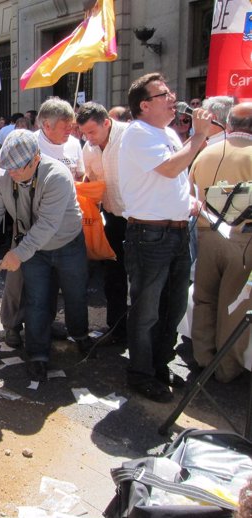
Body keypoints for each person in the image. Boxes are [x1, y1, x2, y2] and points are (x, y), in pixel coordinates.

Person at [118, 72, 212, 402]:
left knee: (172, 307)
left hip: (176, 231)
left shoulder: (168, 132)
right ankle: (140, 372)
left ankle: (160, 364)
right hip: (150, 235)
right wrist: (199, 136)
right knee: (147, 310)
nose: (173, 98)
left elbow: (176, 179)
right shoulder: (137, 133)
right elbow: (170, 169)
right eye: (163, 94)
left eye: (170, 92)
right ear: (144, 105)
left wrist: (187, 201)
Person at [0, 130, 91, 382]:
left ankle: (80, 334)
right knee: (37, 299)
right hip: (32, 245)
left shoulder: (56, 175)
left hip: (67, 243)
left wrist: (17, 254)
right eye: (7, 168)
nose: (10, 173)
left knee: (75, 293)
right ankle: (37, 355)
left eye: (17, 169)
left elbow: (47, 224)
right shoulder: (3, 176)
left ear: (35, 159)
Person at [191, 102, 252, 383]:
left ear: (229, 125)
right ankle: (226, 368)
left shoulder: (206, 153)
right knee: (233, 305)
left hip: (207, 234)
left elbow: (191, 191)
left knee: (204, 298)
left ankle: (203, 356)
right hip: (242, 240)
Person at [77, 102, 129, 344]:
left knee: (142, 281)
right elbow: (93, 181)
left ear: (106, 122)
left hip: (141, 220)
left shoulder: (130, 139)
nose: (88, 138)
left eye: (92, 132)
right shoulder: (89, 149)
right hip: (113, 219)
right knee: (114, 278)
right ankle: (117, 329)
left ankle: (143, 335)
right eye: (84, 133)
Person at [35, 97, 85, 180]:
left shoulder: (74, 143)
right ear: (47, 125)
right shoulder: (31, 144)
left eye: (71, 125)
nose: (70, 130)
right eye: (65, 127)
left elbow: (80, 175)